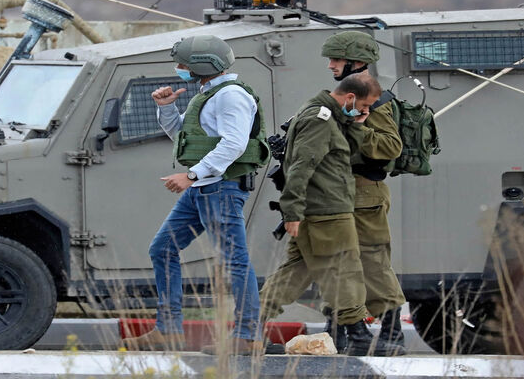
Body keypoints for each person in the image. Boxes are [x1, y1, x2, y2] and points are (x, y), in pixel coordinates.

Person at [125, 35, 266, 354]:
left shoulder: (230, 96)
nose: (179, 69)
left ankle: (247, 336)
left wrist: (191, 175)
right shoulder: (209, 94)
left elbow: (235, 144)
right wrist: (167, 110)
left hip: (220, 188)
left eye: (184, 64)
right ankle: (168, 330)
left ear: (204, 64)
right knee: (163, 249)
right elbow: (187, 141)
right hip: (204, 187)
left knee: (234, 261)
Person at [259, 72, 404, 356]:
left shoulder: (329, 117)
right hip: (327, 211)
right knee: (346, 271)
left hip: (324, 209)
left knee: (294, 273)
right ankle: (359, 336)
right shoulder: (321, 119)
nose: (365, 112)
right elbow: (301, 167)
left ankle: (247, 326)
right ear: (350, 97)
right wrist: (292, 210)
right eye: (364, 107)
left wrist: (356, 124)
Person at [326, 31, 407, 354]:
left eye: (336, 59)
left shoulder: (378, 100)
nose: (331, 65)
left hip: (366, 193)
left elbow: (390, 146)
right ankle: (344, 333)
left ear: (356, 62)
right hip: (339, 192)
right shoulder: (343, 94)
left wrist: (357, 126)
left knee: (374, 264)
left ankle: (392, 334)